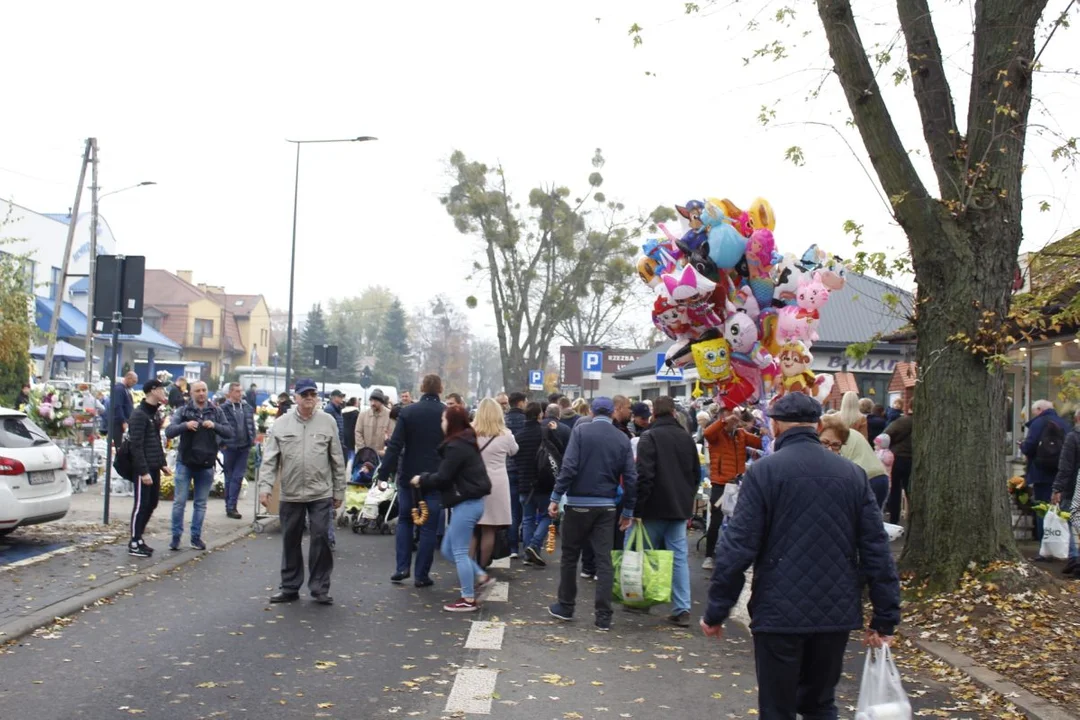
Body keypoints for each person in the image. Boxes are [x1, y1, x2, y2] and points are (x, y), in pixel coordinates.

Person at [700, 393, 901, 719]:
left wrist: (717, 609)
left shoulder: (764, 473)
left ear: (776, 426)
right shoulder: (852, 476)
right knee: (820, 704)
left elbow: (737, 547)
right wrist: (884, 615)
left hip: (778, 610)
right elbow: (876, 549)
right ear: (818, 424)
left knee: (777, 708)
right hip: (834, 609)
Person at [547, 397, 638, 631]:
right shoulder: (621, 438)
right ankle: (603, 616)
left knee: (569, 556)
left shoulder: (581, 432)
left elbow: (569, 467)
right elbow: (630, 477)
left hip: (578, 503)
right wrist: (627, 510)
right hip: (606, 505)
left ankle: (566, 606)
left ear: (592, 411)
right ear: (611, 414)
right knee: (604, 560)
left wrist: (556, 496)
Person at [258, 377, 346, 604]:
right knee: (290, 540)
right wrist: (264, 488)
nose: (309, 399)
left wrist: (339, 491)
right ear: (296, 397)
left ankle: (320, 588)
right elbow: (269, 460)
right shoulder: (281, 424)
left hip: (320, 492)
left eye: (313, 395)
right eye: (305, 395)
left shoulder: (328, 422)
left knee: (320, 538)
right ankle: (289, 587)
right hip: (291, 492)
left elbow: (337, 459)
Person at [410, 404, 493, 612]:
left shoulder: (456, 446)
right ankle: (480, 576)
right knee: (448, 549)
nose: (442, 423)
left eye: (444, 419)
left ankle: (468, 598)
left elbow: (444, 477)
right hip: (469, 502)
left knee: (458, 552)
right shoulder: (465, 441)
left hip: (466, 502)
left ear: (452, 422)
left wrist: (422, 479)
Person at [632, 396, 700, 627]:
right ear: (673, 413)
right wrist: (687, 500)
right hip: (679, 508)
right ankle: (682, 608)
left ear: (653, 415)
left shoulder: (648, 437)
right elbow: (695, 473)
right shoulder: (686, 438)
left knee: (647, 553)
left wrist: (637, 508)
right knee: (678, 558)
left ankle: (643, 599)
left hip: (653, 506)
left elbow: (645, 476)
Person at [379, 374, 446, 587]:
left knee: (406, 521)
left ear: (422, 388)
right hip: (435, 477)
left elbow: (395, 446)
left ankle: (402, 567)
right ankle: (421, 575)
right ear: (440, 389)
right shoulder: (446, 413)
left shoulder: (408, 412)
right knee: (428, 527)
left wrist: (383, 474)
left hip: (408, 475)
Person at [165, 381, 233, 551]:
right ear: (191, 393)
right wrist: (185, 426)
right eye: (197, 391)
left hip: (206, 463)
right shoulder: (183, 410)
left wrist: (215, 426)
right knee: (179, 502)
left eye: (204, 390)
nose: (201, 393)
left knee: (201, 503)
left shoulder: (216, 411)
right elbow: (169, 431)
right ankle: (176, 537)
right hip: (185, 462)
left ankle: (196, 538)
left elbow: (229, 432)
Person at [702, 411, 762, 569]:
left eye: (735, 419)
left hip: (737, 483)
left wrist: (762, 430)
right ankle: (709, 555)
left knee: (739, 520)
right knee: (716, 520)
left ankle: (733, 553)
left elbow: (760, 443)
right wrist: (723, 421)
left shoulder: (741, 434)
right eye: (730, 419)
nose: (733, 422)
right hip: (720, 484)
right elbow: (707, 433)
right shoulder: (716, 435)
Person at [473, 398, 519, 566]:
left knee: (472, 528)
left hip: (473, 481)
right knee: (489, 528)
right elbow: (514, 451)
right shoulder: (506, 434)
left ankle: (468, 567)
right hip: (497, 484)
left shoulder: (470, 431)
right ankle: (482, 566)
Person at [126, 379, 169, 558]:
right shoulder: (139, 415)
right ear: (153, 391)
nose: (164, 392)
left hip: (154, 465)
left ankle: (140, 538)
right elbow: (136, 445)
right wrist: (143, 471)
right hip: (143, 468)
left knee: (152, 503)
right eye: (161, 389)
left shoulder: (153, 413)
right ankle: (134, 541)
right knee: (141, 504)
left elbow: (155, 441)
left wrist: (162, 463)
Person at [1023, 399, 1069, 552]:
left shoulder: (1038, 423)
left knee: (1042, 508)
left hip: (1041, 472)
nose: (1033, 415)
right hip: (1061, 473)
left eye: (1034, 411)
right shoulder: (1064, 424)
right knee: (1060, 509)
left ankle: (1045, 548)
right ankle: (1063, 546)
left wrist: (1022, 446)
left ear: (1040, 409)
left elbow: (1029, 447)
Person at [821, 414, 890, 510]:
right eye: (824, 443)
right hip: (880, 475)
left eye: (835, 445)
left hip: (864, 477)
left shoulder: (840, 437)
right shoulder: (850, 434)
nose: (829, 448)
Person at [516, 402, 548, 566]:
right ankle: (534, 545)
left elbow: (514, 457)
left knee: (527, 518)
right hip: (543, 482)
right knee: (547, 515)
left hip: (524, 483)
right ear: (539, 415)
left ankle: (529, 553)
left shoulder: (519, 435)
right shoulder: (544, 433)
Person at [220, 382, 255, 520]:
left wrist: (252, 439)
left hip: (244, 446)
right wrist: (221, 443)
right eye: (237, 391)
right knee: (229, 477)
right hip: (229, 446)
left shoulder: (247, 407)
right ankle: (229, 505)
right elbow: (219, 427)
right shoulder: (223, 408)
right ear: (229, 393)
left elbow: (251, 424)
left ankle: (232, 506)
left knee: (238, 476)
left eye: (241, 391)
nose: (240, 394)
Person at [1052, 408, 1080, 577]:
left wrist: (1058, 488)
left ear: (1076, 418)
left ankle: (1074, 558)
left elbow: (1066, 466)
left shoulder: (1073, 437)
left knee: (1068, 520)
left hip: (1073, 488)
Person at [503, 391, 528, 558]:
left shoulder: (502, 421)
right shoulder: (527, 421)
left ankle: (512, 547)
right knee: (527, 509)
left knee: (512, 509)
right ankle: (526, 543)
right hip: (525, 468)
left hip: (507, 468)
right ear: (520, 403)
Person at [883, 403, 913, 524]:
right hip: (914, 459)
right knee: (910, 490)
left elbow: (886, 434)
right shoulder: (928, 421)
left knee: (895, 490)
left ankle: (894, 520)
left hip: (899, 457)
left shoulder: (904, 421)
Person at [356, 389, 394, 458]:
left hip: (383, 456)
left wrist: (385, 451)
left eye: (376, 401)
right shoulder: (363, 415)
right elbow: (358, 432)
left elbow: (392, 435)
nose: (373, 403)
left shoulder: (390, 415)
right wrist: (363, 450)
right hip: (365, 455)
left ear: (381, 402)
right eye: (371, 400)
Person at [110, 371, 138, 449]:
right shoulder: (119, 389)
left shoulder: (126, 389)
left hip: (124, 422)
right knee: (119, 445)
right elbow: (118, 406)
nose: (134, 383)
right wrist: (123, 421)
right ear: (128, 378)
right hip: (119, 424)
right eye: (134, 381)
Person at [342, 397, 359, 465]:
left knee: (345, 452)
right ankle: (351, 467)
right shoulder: (356, 413)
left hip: (343, 434)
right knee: (352, 453)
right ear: (355, 403)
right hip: (352, 435)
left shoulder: (342, 411)